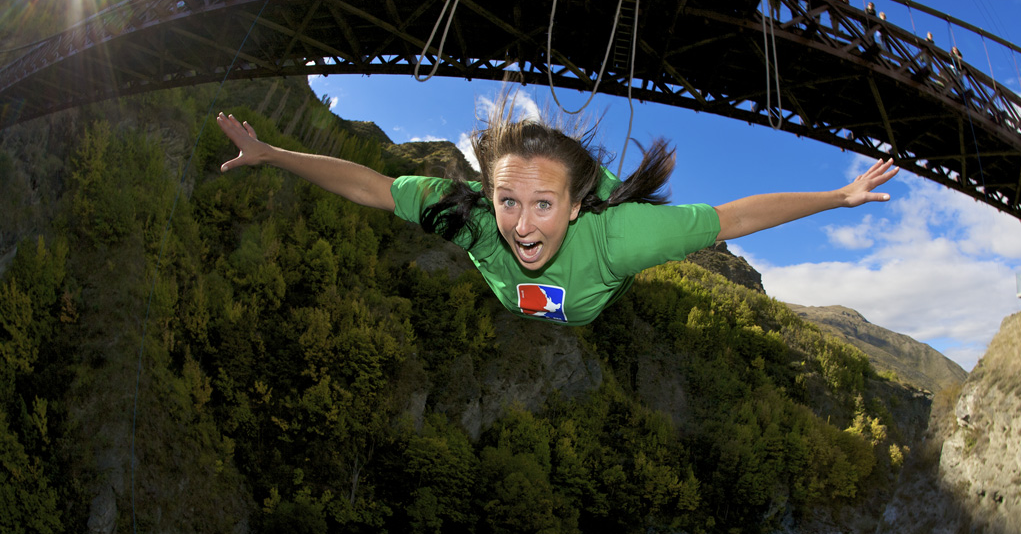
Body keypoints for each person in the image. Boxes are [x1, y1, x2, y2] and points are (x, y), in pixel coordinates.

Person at [214, 96, 897, 325]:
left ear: (575, 209)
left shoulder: (618, 239)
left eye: (544, 204)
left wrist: (838, 197)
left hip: (592, 296)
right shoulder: (470, 214)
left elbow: (736, 217)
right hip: (534, 301)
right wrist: (271, 153)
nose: (522, 224)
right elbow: (367, 184)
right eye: (509, 200)